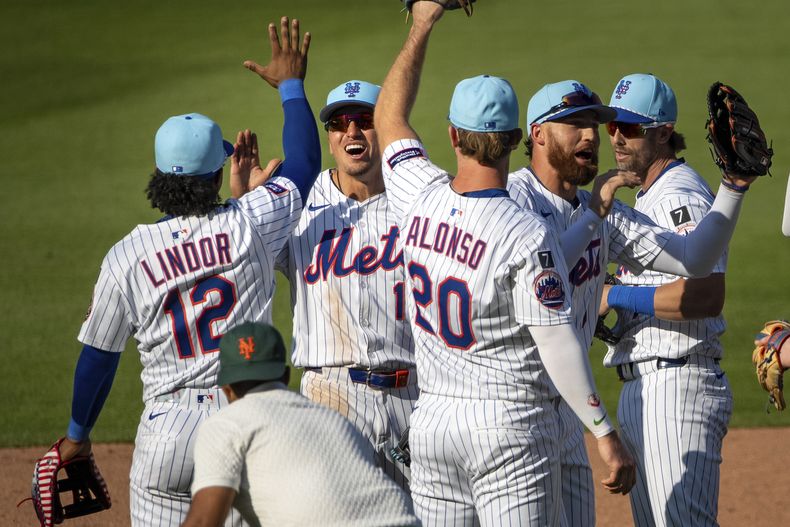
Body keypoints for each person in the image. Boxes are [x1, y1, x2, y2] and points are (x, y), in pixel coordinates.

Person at [45, 17, 320, 526]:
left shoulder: (126, 255)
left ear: (157, 177)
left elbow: (97, 361)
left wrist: (77, 437)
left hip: (165, 433)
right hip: (243, 423)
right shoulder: (252, 223)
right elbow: (303, 161)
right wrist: (291, 85)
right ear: (218, 174)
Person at [374, 4, 635, 525]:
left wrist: (423, 22)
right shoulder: (525, 234)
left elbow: (389, 116)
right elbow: (559, 344)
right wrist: (604, 433)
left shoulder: (416, 193)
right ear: (519, 141)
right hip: (508, 428)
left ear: (452, 136)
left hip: (434, 426)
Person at [507, 75, 759, 525]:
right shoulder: (514, 199)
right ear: (538, 134)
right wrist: (594, 215)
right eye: (580, 124)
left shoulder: (608, 208)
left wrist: (733, 186)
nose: (596, 136)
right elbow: (538, 274)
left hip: (594, 403)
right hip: (515, 408)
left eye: (595, 124)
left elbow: (696, 261)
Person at [599, 72, 743, 527]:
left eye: (632, 128)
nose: (618, 138)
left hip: (677, 386)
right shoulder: (646, 194)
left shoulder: (679, 195)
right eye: (612, 127)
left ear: (663, 132)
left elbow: (706, 293)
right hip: (648, 386)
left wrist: (617, 294)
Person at [274, 80, 417, 489]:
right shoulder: (299, 204)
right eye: (339, 123)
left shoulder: (421, 201)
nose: (351, 131)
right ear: (330, 137)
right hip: (331, 396)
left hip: (415, 396)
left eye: (364, 120)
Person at [181, 322, 419, 527]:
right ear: (285, 377)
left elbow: (203, 522)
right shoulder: (333, 419)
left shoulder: (225, 425)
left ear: (225, 388)